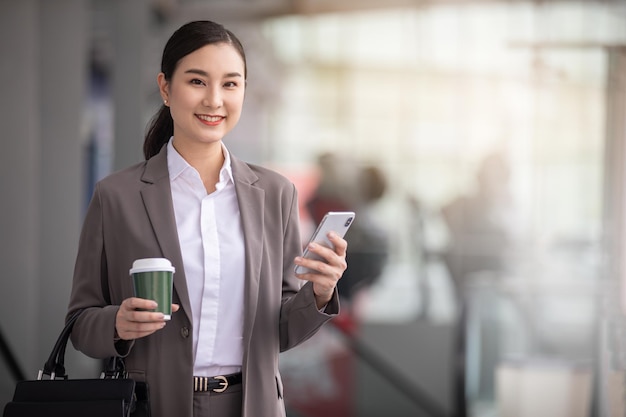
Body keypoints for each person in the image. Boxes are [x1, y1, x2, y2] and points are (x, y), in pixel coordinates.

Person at [66, 20, 348, 417]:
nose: (214, 100)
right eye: (197, 81)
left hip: (252, 405)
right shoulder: (117, 196)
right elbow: (80, 323)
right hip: (154, 405)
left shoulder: (275, 194)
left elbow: (281, 330)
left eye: (230, 84)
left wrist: (319, 294)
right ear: (165, 88)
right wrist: (118, 323)